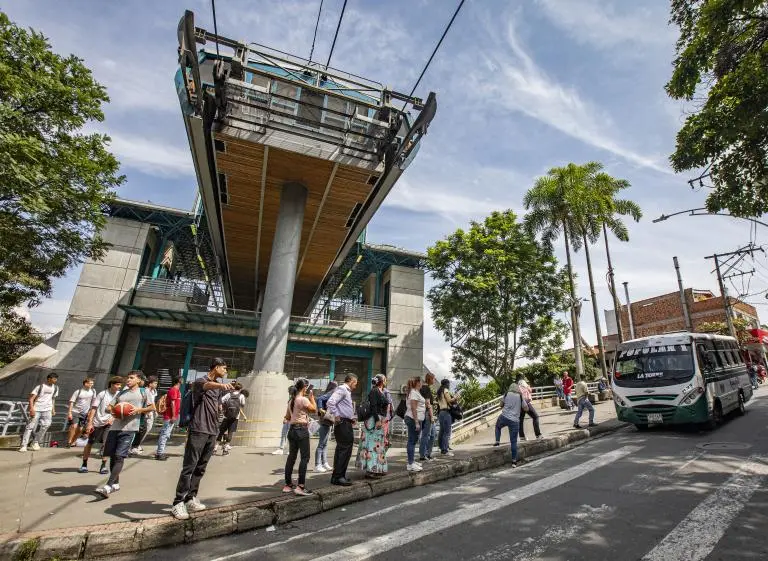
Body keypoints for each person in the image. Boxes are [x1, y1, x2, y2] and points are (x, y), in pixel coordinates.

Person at [171, 358, 234, 519]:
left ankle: (191, 497)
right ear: (216, 367)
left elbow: (217, 403)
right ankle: (178, 502)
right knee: (189, 466)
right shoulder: (201, 382)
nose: (225, 371)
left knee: (201, 467)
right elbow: (206, 386)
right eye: (224, 368)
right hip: (198, 428)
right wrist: (221, 385)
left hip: (212, 430)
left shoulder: (218, 390)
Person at [96, 371, 155, 499]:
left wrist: (139, 410)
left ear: (138, 380)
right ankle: (116, 484)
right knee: (112, 456)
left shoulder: (144, 393)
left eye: (131, 378)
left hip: (130, 429)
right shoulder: (121, 393)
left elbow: (152, 407)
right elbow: (109, 408)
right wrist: (115, 411)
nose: (128, 380)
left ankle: (108, 486)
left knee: (119, 456)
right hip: (115, 427)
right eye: (127, 377)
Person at [80, 376, 122, 474]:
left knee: (107, 444)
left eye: (120, 385)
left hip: (109, 423)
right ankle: (84, 464)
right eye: (117, 384)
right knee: (90, 443)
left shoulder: (119, 396)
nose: (119, 386)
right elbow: (94, 408)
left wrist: (113, 418)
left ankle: (103, 466)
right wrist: (90, 423)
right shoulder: (102, 394)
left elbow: (118, 409)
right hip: (97, 422)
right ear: (112, 384)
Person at [282, 379, 317, 495]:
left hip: (292, 430)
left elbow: (287, 416)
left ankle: (288, 484)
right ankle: (300, 486)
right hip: (301, 430)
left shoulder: (291, 400)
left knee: (291, 457)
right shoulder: (303, 399)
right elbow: (314, 409)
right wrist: (312, 398)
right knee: (305, 458)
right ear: (304, 388)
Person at [356, 374, 390, 478]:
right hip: (374, 420)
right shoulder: (375, 391)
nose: (385, 381)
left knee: (376, 445)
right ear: (382, 381)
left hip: (377, 420)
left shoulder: (379, 391)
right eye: (384, 379)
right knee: (372, 445)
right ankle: (371, 469)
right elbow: (374, 407)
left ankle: (376, 468)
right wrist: (377, 420)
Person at [327, 374, 358, 486]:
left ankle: (340, 476)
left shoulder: (346, 391)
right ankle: (338, 477)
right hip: (342, 424)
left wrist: (351, 418)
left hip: (346, 423)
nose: (355, 386)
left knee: (345, 449)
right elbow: (330, 402)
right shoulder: (342, 389)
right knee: (344, 449)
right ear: (350, 381)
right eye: (355, 383)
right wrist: (336, 415)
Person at [20, 373, 59, 452]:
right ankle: (24, 445)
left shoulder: (56, 388)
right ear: (49, 379)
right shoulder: (40, 387)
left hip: (47, 409)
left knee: (46, 425)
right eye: (54, 378)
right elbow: (31, 399)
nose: (55, 380)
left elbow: (53, 399)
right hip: (37, 408)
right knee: (30, 426)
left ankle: (35, 442)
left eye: (56, 379)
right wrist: (31, 409)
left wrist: (53, 409)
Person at [493, 382, 527, 466]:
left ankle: (497, 441)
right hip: (515, 421)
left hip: (504, 417)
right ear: (518, 389)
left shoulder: (507, 394)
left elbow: (500, 405)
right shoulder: (520, 396)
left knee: (498, 426)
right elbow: (526, 408)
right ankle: (514, 461)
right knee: (513, 441)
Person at [216, 384, 248, 455]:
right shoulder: (241, 396)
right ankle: (225, 450)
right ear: (240, 389)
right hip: (235, 417)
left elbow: (221, 400)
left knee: (221, 432)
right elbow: (242, 405)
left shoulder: (228, 394)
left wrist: (222, 409)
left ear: (234, 388)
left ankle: (215, 448)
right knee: (230, 432)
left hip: (226, 416)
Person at [155, 376, 182, 461]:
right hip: (169, 416)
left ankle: (161, 452)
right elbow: (172, 404)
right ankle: (159, 453)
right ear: (179, 381)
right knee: (165, 434)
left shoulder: (176, 390)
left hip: (171, 416)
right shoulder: (173, 390)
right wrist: (173, 416)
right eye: (182, 379)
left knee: (166, 434)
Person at [314, 381, 338, 473]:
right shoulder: (331, 393)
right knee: (321, 444)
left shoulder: (330, 393)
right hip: (325, 421)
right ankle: (317, 464)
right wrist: (320, 408)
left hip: (327, 421)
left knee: (325, 444)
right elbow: (319, 398)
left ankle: (324, 463)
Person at [404, 377, 426, 472]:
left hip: (414, 419)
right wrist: (417, 422)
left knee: (413, 440)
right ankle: (410, 464)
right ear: (417, 383)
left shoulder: (415, 392)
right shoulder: (413, 393)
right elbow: (413, 408)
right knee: (412, 441)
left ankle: (411, 461)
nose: (422, 384)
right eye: (421, 382)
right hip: (413, 419)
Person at [66, 377, 95, 447]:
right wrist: (69, 412)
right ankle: (69, 442)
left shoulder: (93, 391)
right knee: (74, 426)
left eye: (92, 383)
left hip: (85, 413)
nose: (92, 384)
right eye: (90, 383)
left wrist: (90, 411)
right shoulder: (78, 391)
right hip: (75, 411)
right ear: (85, 383)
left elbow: (93, 402)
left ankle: (73, 441)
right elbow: (72, 402)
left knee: (80, 429)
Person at [132, 375, 158, 453]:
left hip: (150, 413)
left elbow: (152, 402)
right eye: (155, 383)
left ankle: (137, 445)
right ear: (150, 384)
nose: (156, 385)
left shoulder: (153, 392)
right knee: (142, 430)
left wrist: (155, 411)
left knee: (146, 429)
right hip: (145, 413)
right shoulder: (146, 391)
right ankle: (134, 446)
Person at [272, 386, 298, 455]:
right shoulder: (290, 399)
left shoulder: (296, 399)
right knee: (284, 433)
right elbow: (288, 410)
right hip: (288, 419)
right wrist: (285, 418)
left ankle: (291, 450)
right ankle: (281, 449)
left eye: (289, 390)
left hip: (293, 420)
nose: (288, 392)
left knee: (291, 436)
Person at [517, 375, 542, 441]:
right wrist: (528, 386)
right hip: (526, 403)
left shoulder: (516, 387)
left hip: (520, 404)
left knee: (520, 420)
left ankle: (522, 437)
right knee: (535, 417)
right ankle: (538, 435)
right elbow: (530, 390)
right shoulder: (524, 384)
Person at [419, 372, 437, 462]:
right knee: (427, 435)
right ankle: (423, 455)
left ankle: (428, 454)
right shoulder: (426, 388)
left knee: (433, 434)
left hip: (426, 413)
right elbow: (427, 403)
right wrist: (432, 416)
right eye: (434, 379)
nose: (434, 380)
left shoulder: (424, 388)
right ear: (430, 379)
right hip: (427, 414)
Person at [436, 379, 456, 457]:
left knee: (442, 431)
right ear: (446, 384)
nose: (449, 385)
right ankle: (444, 450)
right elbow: (449, 400)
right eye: (449, 383)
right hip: (446, 412)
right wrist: (455, 397)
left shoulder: (439, 391)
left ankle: (441, 447)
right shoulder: (445, 390)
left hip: (441, 412)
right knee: (447, 432)